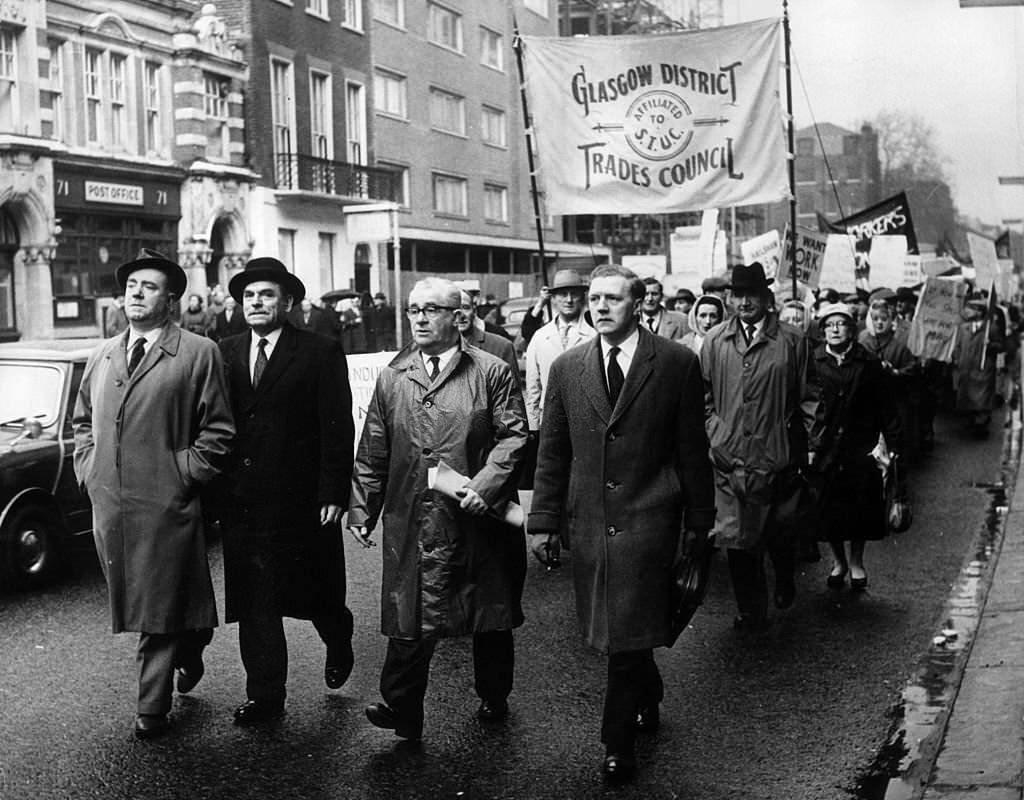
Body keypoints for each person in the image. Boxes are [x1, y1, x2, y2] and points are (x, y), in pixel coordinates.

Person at [528, 264, 715, 784]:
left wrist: (700, 521)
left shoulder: (675, 362)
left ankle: (616, 743)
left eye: (613, 298)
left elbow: (691, 450)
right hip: (590, 519)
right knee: (622, 632)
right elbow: (553, 451)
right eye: (595, 298)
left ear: (638, 305)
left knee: (626, 632)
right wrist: (543, 521)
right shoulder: (568, 368)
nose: (601, 306)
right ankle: (647, 692)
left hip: (652, 515)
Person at [348, 277, 528, 741]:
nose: (421, 319)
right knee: (410, 609)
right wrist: (363, 508)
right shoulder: (394, 376)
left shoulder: (490, 370)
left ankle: (493, 692)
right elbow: (374, 447)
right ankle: (401, 707)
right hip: (412, 512)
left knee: (487, 606)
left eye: (431, 310)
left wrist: (486, 486)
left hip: (473, 513)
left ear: (457, 317)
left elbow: (514, 435)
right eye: (413, 310)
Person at [72, 250, 234, 739]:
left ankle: (152, 705)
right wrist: (89, 470)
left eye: (149, 286)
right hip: (113, 506)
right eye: (131, 286)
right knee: (150, 598)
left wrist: (182, 473)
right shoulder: (102, 355)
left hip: (167, 503)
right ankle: (195, 636)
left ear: (171, 300)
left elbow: (219, 431)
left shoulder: (197, 351)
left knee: (157, 605)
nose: (136, 293)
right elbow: (82, 422)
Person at [217, 257, 356, 726]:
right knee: (255, 601)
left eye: (267, 295)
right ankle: (265, 695)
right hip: (245, 501)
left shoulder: (319, 350)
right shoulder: (226, 351)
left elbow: (337, 427)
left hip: (302, 500)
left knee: (315, 593)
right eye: (248, 296)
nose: (256, 303)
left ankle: (338, 635)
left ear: (288, 302)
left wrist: (333, 491)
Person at [701, 262, 821, 631]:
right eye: (738, 295)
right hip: (729, 456)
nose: (745, 301)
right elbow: (703, 396)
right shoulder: (715, 340)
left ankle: (784, 577)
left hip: (777, 454)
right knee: (737, 537)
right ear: (730, 298)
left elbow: (810, 397)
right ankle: (750, 609)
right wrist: (715, 433)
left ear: (767, 298)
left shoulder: (792, 340)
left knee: (778, 531)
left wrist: (810, 444)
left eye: (753, 294)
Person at [812, 303, 902, 590]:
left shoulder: (869, 362)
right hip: (826, 447)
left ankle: (856, 562)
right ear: (823, 329)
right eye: (830, 324)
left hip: (859, 445)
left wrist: (894, 441)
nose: (835, 329)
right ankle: (838, 561)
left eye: (841, 324)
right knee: (829, 509)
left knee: (860, 508)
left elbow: (885, 406)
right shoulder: (813, 362)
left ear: (852, 329)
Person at [524, 268, 596, 430]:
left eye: (574, 294)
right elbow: (533, 389)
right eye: (563, 294)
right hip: (550, 422)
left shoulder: (595, 336)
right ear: (553, 299)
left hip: (587, 422)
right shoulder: (540, 337)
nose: (569, 300)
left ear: (583, 298)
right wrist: (534, 429)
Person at [953, 295, 1005, 436]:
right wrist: (957, 359)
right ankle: (970, 422)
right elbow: (958, 346)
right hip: (967, 369)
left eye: (970, 308)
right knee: (967, 397)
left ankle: (981, 425)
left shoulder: (991, 329)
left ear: (979, 312)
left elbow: (1001, 346)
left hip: (983, 369)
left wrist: (991, 345)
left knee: (982, 399)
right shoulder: (963, 327)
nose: (966, 311)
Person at [456, 289, 520, 382]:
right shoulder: (435, 349)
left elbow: (513, 393)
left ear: (474, 311)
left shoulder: (502, 347)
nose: (460, 315)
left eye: (465, 307)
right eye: (454, 309)